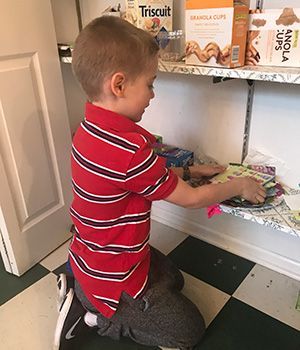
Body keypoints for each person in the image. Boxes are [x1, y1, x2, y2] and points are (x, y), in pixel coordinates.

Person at [53, 16, 266, 350]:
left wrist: (193, 172)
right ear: (119, 85)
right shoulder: (128, 150)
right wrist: (238, 186)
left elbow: (140, 179)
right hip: (112, 277)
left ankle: (83, 287)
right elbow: (189, 200)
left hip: (95, 254)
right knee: (188, 331)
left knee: (173, 279)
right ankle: (95, 315)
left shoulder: (90, 130)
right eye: (150, 83)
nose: (153, 94)